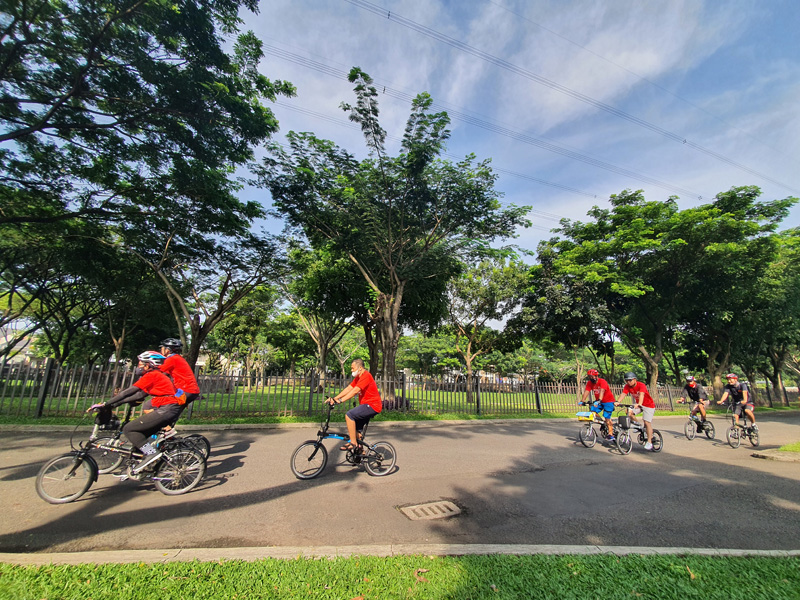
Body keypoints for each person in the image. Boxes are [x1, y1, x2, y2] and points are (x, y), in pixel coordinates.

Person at [88, 351, 184, 472]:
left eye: (141, 364)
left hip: (166, 409)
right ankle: (146, 462)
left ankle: (152, 454)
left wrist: (106, 404)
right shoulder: (156, 376)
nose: (138, 367)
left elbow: (128, 392)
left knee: (129, 429)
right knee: (140, 434)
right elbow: (138, 395)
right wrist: (113, 405)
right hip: (169, 409)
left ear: (148, 365)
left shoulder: (152, 375)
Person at [326, 359, 382, 452]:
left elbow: (355, 391)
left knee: (349, 415)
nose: (351, 370)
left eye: (353, 368)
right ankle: (361, 452)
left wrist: (340, 401)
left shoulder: (366, 375)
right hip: (366, 405)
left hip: (372, 406)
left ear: (360, 368)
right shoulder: (358, 377)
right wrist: (335, 398)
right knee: (355, 430)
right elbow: (349, 388)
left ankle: (353, 443)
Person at [619, 372, 656, 450]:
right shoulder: (627, 386)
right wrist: (618, 401)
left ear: (634, 379)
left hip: (648, 405)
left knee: (646, 422)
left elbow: (641, 394)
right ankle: (638, 425)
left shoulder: (641, 385)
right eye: (626, 381)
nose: (628, 382)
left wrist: (639, 403)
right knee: (628, 412)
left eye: (630, 380)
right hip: (639, 404)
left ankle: (649, 442)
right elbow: (623, 394)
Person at [158, 337, 201, 405]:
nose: (161, 349)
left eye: (162, 347)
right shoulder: (177, 358)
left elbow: (158, 371)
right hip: (189, 390)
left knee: (156, 405)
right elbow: (165, 374)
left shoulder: (172, 359)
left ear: (168, 350)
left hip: (185, 390)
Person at [579, 368, 616, 442]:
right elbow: (587, 391)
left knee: (607, 417)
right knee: (593, 411)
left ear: (596, 376)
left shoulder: (602, 382)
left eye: (592, 376)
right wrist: (582, 401)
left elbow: (602, 391)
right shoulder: (589, 383)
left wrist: (599, 400)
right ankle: (603, 423)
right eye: (589, 377)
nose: (591, 378)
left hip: (608, 401)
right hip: (598, 402)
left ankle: (611, 434)